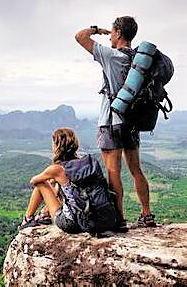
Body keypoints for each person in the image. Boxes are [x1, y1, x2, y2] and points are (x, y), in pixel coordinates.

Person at [74, 16, 156, 231]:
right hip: (132, 122)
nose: (109, 35)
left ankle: (119, 220)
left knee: (113, 172)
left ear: (118, 34)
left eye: (112, 32)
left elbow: (80, 36)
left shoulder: (111, 56)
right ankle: (147, 215)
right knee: (136, 169)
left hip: (110, 122)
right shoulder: (138, 60)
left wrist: (98, 29)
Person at [18, 128, 116, 234]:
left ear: (57, 146)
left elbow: (33, 181)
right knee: (66, 189)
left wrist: (51, 179)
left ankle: (27, 219)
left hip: (74, 224)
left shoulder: (57, 169)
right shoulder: (87, 164)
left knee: (42, 184)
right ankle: (45, 214)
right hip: (104, 220)